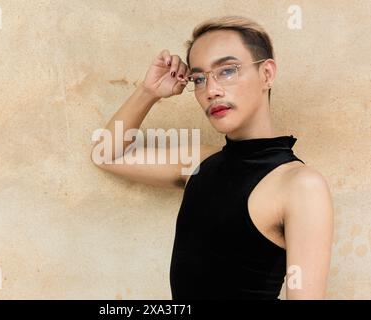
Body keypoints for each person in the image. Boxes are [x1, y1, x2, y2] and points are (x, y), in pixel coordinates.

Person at [90, 15, 334, 299]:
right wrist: (148, 92)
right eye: (199, 78)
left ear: (266, 74)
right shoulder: (200, 163)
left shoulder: (301, 185)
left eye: (227, 70)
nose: (211, 90)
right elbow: (105, 155)